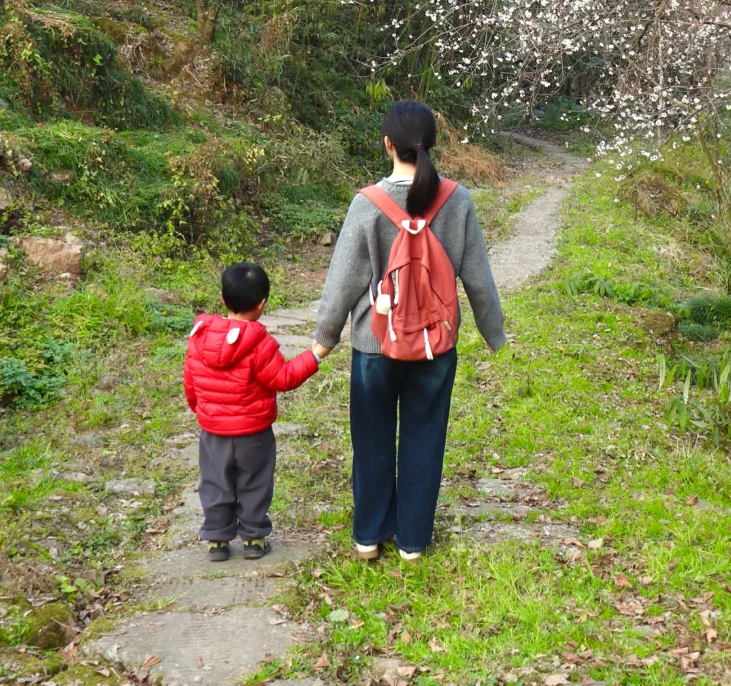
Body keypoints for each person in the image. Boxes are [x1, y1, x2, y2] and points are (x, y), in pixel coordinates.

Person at [311, 101, 505, 561]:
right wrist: (493, 332)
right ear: (432, 145)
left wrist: (325, 337)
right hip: (435, 345)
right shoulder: (457, 201)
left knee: (372, 435)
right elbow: (477, 275)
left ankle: (368, 537)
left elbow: (342, 280)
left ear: (387, 145)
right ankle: (413, 542)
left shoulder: (366, 204)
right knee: (425, 435)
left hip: (374, 344)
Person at [184, 260, 320, 561]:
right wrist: (314, 356)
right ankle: (254, 538)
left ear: (222, 299)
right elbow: (283, 378)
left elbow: (191, 382)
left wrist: (202, 411)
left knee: (215, 481)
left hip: (213, 432)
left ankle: (217, 540)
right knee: (255, 482)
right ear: (262, 305)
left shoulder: (199, 337)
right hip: (254, 433)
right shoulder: (261, 344)